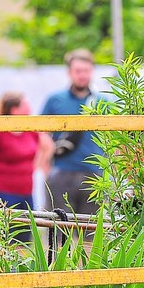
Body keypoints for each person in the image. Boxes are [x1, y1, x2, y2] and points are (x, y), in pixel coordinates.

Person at [0, 91, 53, 244]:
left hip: (24, 195)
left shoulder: (30, 131)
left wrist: (34, 166)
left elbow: (48, 146)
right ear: (15, 110)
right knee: (1, 241)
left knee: (24, 241)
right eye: (25, 104)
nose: (29, 108)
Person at [42, 48, 103, 216]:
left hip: (94, 175)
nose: (82, 75)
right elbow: (41, 134)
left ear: (92, 71)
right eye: (78, 71)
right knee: (59, 233)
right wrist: (45, 167)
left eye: (86, 71)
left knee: (92, 234)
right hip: (61, 173)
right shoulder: (55, 100)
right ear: (69, 72)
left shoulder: (103, 102)